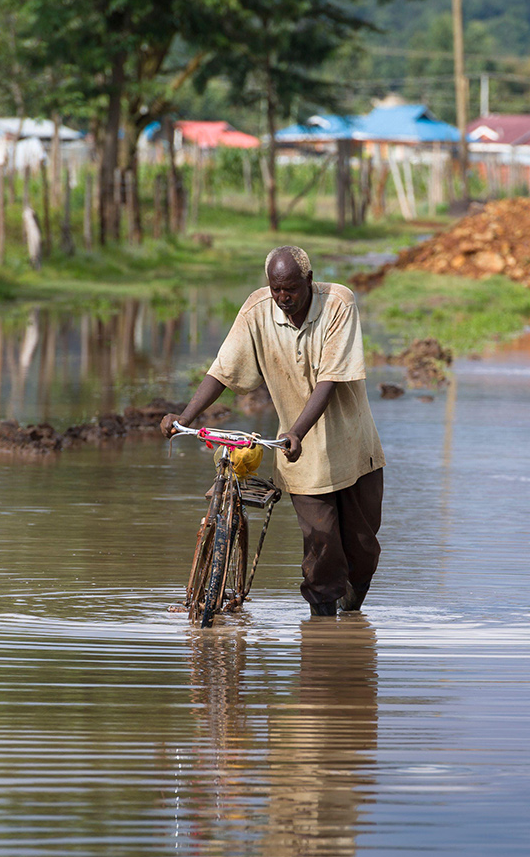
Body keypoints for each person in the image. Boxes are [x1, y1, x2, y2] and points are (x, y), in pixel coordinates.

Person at [162, 246, 384, 618]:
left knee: (362, 549)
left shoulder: (339, 304)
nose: (283, 298)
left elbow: (329, 379)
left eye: (291, 289)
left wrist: (297, 430)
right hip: (299, 454)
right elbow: (223, 369)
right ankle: (322, 634)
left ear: (309, 281)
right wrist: (183, 416)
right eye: (275, 289)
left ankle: (353, 609)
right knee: (321, 547)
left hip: (355, 448)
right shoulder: (256, 309)